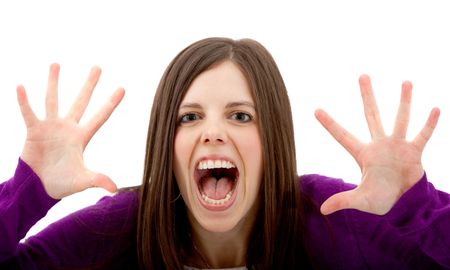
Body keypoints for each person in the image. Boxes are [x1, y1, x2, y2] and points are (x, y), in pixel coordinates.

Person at [0, 37, 449, 269]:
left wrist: (416, 207)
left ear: (273, 140)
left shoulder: (334, 223)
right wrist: (28, 192)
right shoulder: (119, 228)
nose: (213, 132)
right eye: (189, 117)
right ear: (165, 144)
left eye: (240, 116)